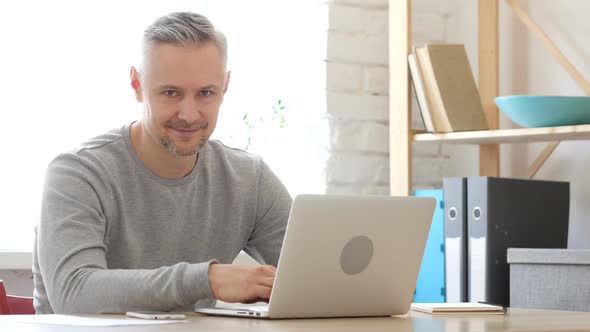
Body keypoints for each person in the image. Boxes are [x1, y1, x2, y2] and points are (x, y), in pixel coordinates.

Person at [32, 11, 292, 314]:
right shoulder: (78, 173)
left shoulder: (249, 179)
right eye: (171, 93)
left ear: (225, 86)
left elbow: (316, 275)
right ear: (137, 84)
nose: (189, 114)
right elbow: (73, 293)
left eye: (206, 93)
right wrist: (205, 280)